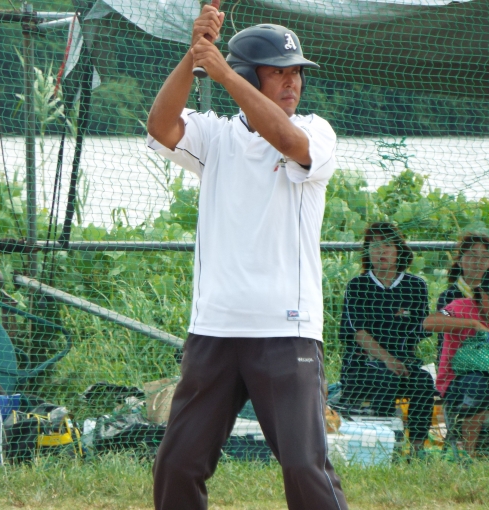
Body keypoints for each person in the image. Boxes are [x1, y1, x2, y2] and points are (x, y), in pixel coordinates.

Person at [146, 3, 348, 509]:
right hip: (215, 328)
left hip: (286, 329)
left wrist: (221, 73)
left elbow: (285, 138)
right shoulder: (216, 136)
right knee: (177, 464)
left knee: (303, 465)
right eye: (277, 71)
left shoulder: (316, 131)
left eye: (296, 71)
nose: (292, 80)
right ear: (247, 73)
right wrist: (195, 56)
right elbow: (161, 126)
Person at [338, 222, 436, 453]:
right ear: (367, 252)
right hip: (362, 365)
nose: (380, 251)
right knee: (387, 378)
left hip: (404, 363)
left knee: (423, 381)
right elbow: (357, 332)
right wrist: (387, 359)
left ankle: (417, 449)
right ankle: (385, 446)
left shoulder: (416, 285)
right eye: (374, 246)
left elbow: (421, 327)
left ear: (399, 250)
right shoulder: (357, 286)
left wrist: (399, 359)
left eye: (387, 245)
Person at [424, 265, 489, 456]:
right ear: (481, 292)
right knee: (480, 382)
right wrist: (474, 324)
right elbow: (430, 322)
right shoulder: (457, 307)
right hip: (457, 382)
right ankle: (467, 454)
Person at [435, 233, 489, 361]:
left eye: (485, 256)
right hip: (457, 363)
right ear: (459, 261)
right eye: (472, 255)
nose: (478, 261)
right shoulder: (448, 297)